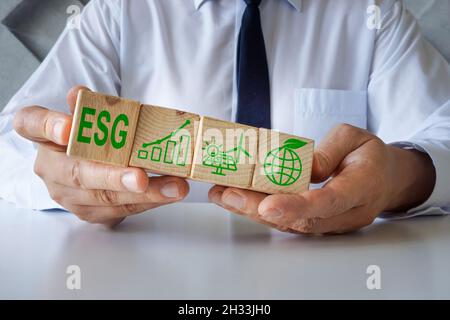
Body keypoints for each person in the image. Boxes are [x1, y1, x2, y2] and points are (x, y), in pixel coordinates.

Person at [0, 0, 449, 233]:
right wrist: (61, 180)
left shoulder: (372, 13)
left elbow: (443, 135)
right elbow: (11, 143)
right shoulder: (120, 10)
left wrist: (398, 178)